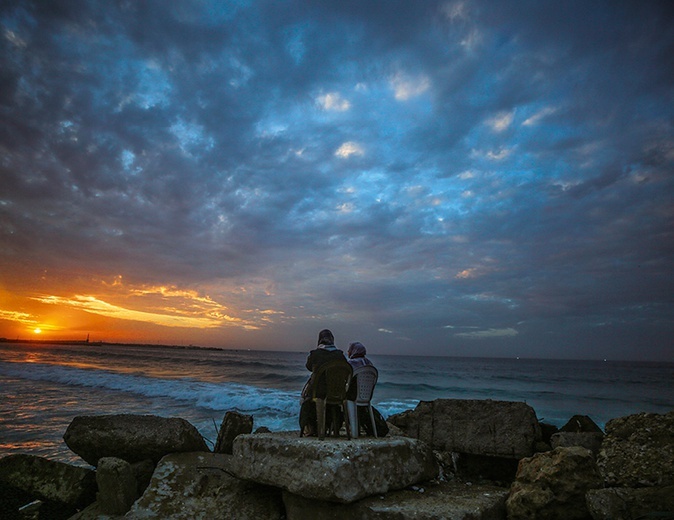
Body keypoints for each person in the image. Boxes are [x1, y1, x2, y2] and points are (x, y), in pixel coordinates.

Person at [299, 329, 349, 436]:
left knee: (307, 399)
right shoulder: (340, 355)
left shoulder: (315, 354)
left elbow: (308, 367)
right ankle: (330, 427)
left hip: (319, 392)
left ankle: (311, 428)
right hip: (337, 393)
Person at [345, 341, 388, 437]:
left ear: (353, 351)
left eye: (349, 350)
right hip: (366, 397)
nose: (348, 352)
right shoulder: (369, 363)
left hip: (353, 396)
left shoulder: (351, 363)